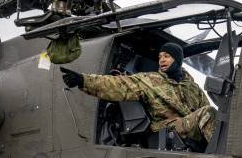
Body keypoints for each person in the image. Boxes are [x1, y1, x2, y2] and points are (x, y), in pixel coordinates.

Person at [60, 42, 216, 145]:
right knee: (208, 113)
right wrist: (83, 80)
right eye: (160, 57)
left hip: (190, 128)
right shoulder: (149, 80)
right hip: (168, 130)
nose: (162, 60)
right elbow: (118, 85)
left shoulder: (192, 86)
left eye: (167, 56)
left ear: (178, 60)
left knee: (217, 116)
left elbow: (206, 110)